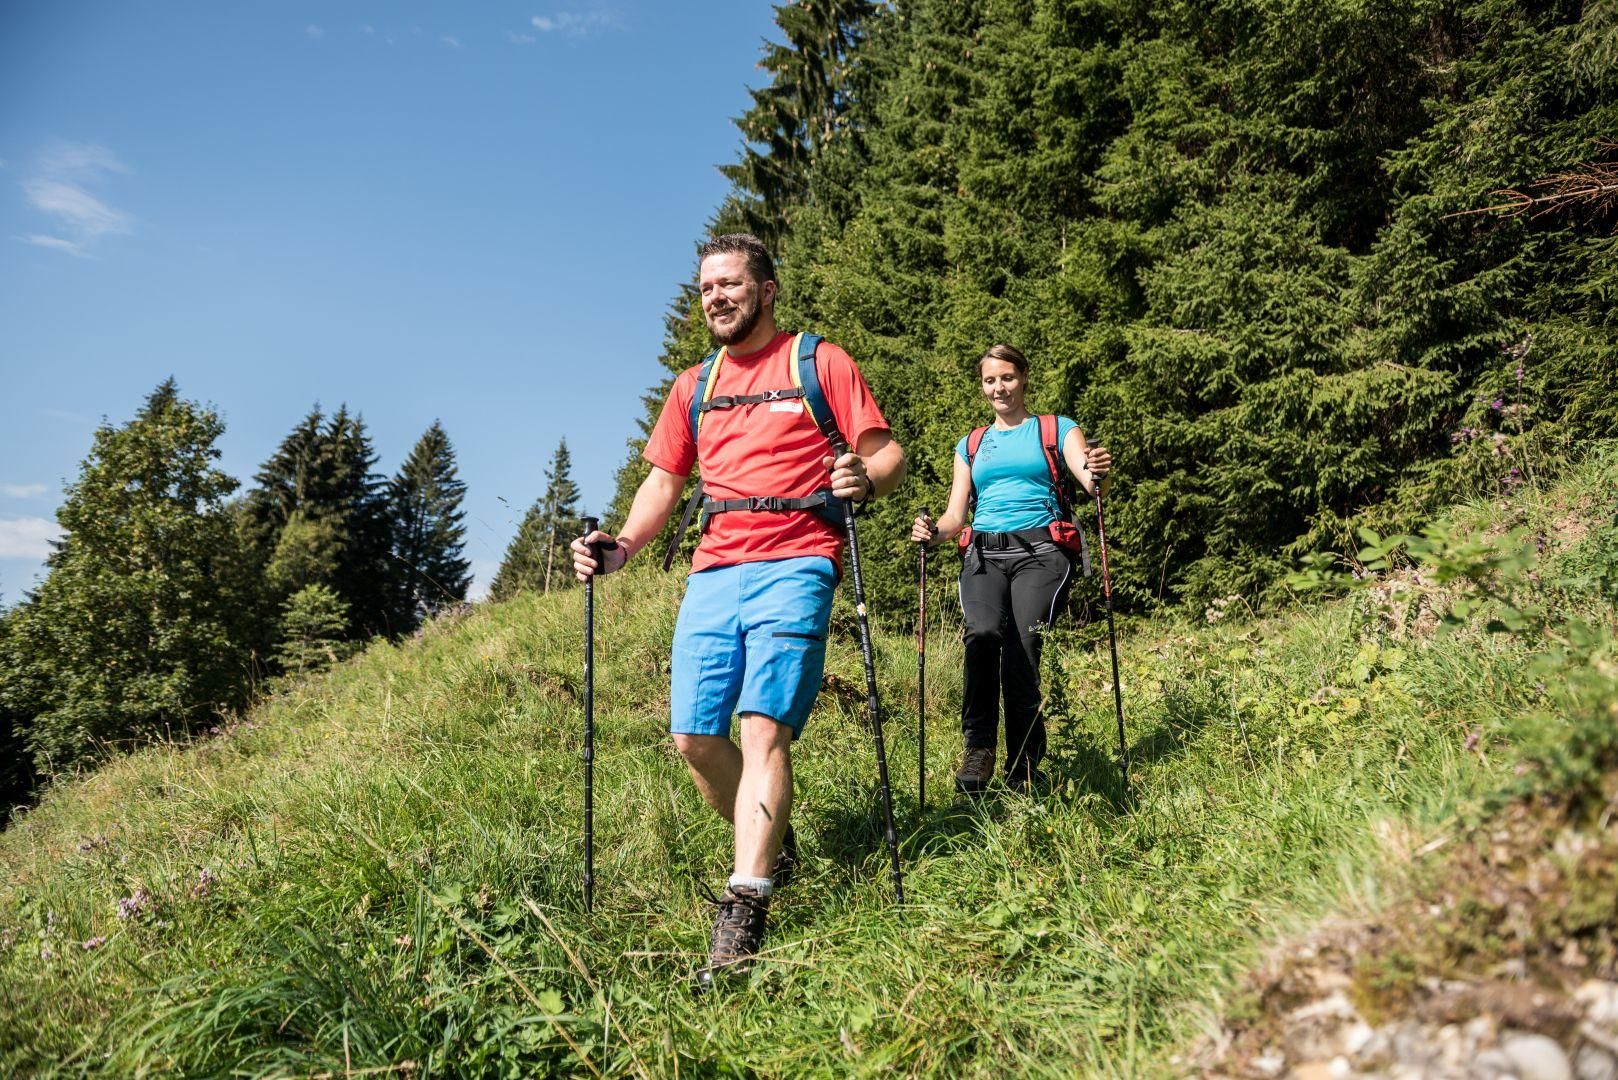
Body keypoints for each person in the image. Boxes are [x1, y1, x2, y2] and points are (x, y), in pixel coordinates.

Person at [571, 233, 905, 989]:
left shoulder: (819, 363)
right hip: (715, 569)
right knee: (692, 737)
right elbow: (662, 483)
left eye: (729, 283)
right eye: (705, 289)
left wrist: (864, 479)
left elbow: (887, 455)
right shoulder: (696, 383)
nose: (716, 297)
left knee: (762, 727)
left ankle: (746, 901)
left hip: (800, 559)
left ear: (767, 288)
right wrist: (619, 547)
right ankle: (773, 846)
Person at [909, 344, 1112, 794]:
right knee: (982, 634)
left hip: (1043, 552)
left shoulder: (1056, 428)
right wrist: (933, 532)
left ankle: (1023, 767)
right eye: (989, 380)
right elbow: (954, 516)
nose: (999, 387)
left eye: (1007, 377)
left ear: (1023, 378)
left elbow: (1089, 476)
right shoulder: (971, 443)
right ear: (982, 387)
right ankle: (979, 750)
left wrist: (1098, 468)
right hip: (983, 555)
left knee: (1021, 648)